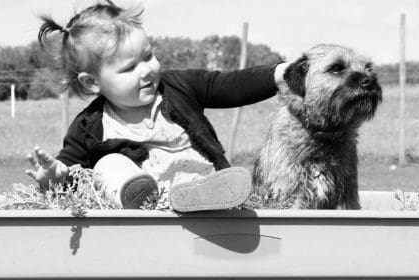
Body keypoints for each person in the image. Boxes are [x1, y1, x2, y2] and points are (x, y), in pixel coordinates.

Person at [25, 0, 286, 211]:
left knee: (206, 184)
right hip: (148, 210)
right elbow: (73, 176)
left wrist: (279, 74)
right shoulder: (89, 126)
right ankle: (142, 198)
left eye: (148, 56)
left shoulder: (180, 86)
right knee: (107, 165)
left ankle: (206, 196)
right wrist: (56, 176)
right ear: (93, 82)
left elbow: (230, 85)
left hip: (206, 190)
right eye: (129, 68)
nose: (146, 70)